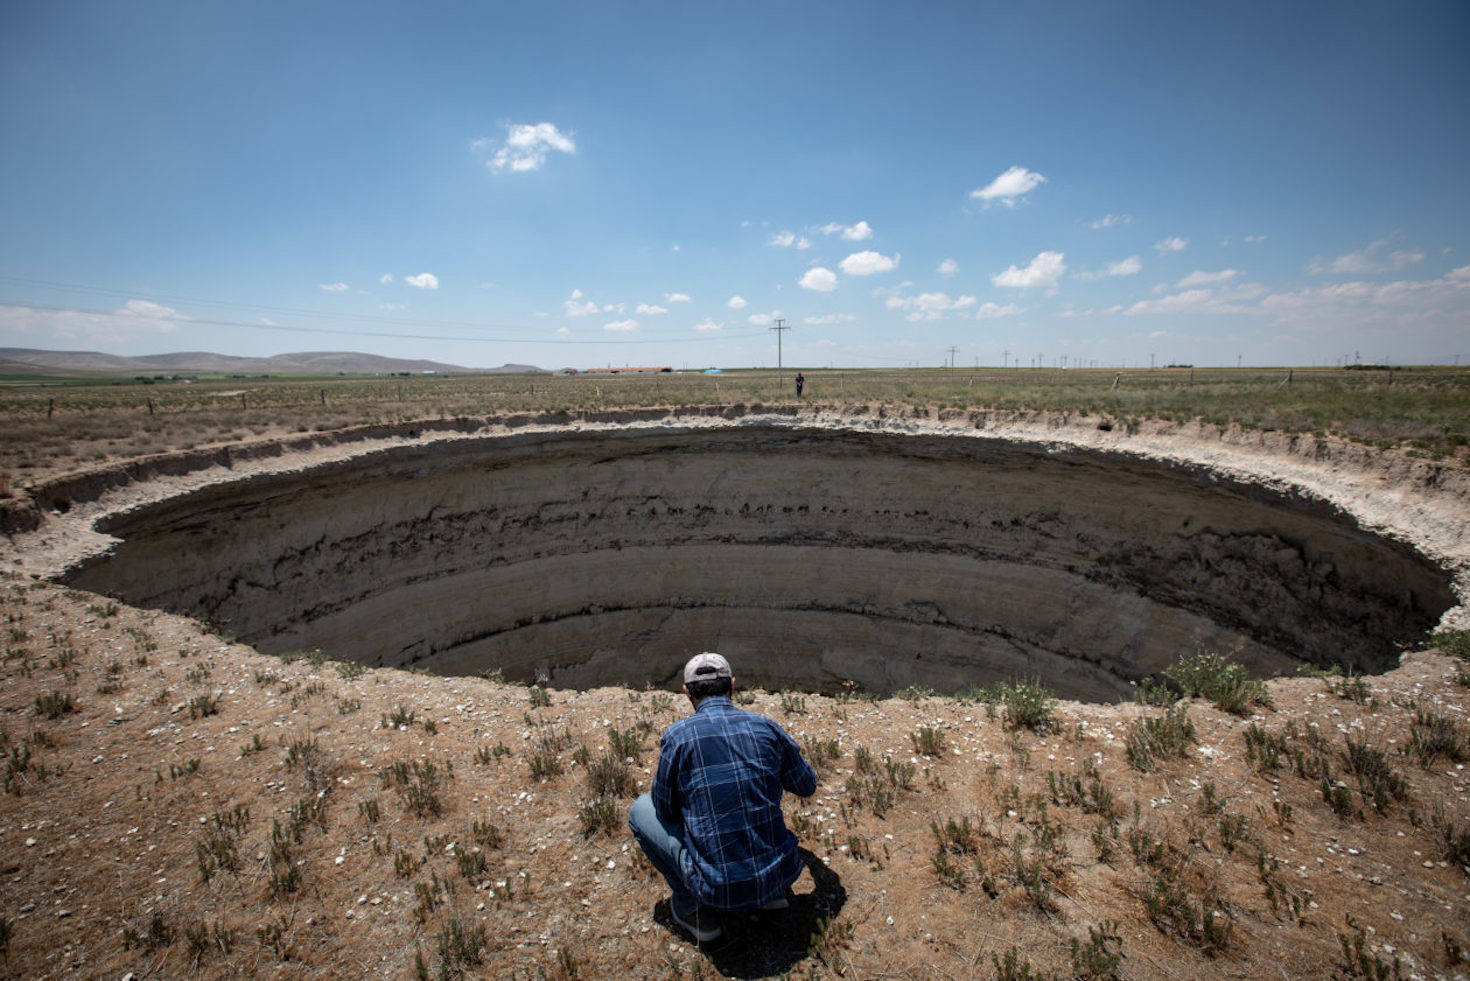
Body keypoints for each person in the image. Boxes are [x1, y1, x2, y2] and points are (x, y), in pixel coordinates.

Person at [628, 652, 817, 942]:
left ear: (686, 692)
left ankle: (695, 911)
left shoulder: (678, 737)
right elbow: (806, 786)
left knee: (641, 809)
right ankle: (771, 895)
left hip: (717, 888)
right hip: (781, 872)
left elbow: (665, 810)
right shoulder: (766, 728)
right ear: (732, 684)